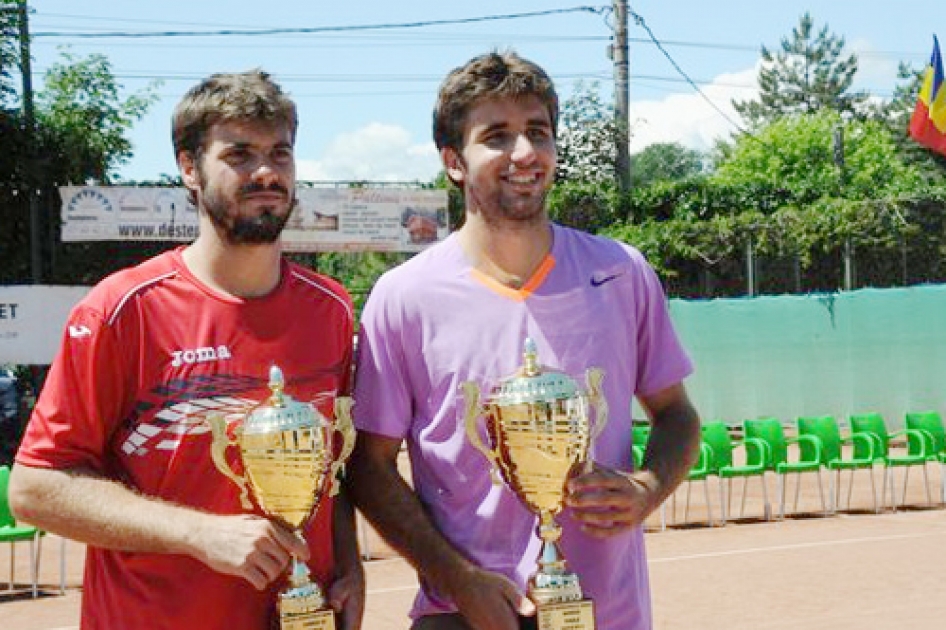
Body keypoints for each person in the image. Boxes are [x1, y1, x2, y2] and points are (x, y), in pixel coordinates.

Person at [347, 51, 701, 630]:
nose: (525, 153)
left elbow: (677, 415)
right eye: (497, 136)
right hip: (461, 616)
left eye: (537, 131)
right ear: (453, 161)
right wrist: (457, 579)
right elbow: (369, 465)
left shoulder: (620, 272)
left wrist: (646, 488)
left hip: (607, 614)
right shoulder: (402, 296)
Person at [9, 70, 364, 630]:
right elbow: (35, 488)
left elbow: (333, 468)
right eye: (240, 154)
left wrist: (349, 565)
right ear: (189, 168)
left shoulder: (332, 308)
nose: (267, 172)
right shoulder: (123, 309)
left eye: (280, 152)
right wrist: (200, 533)